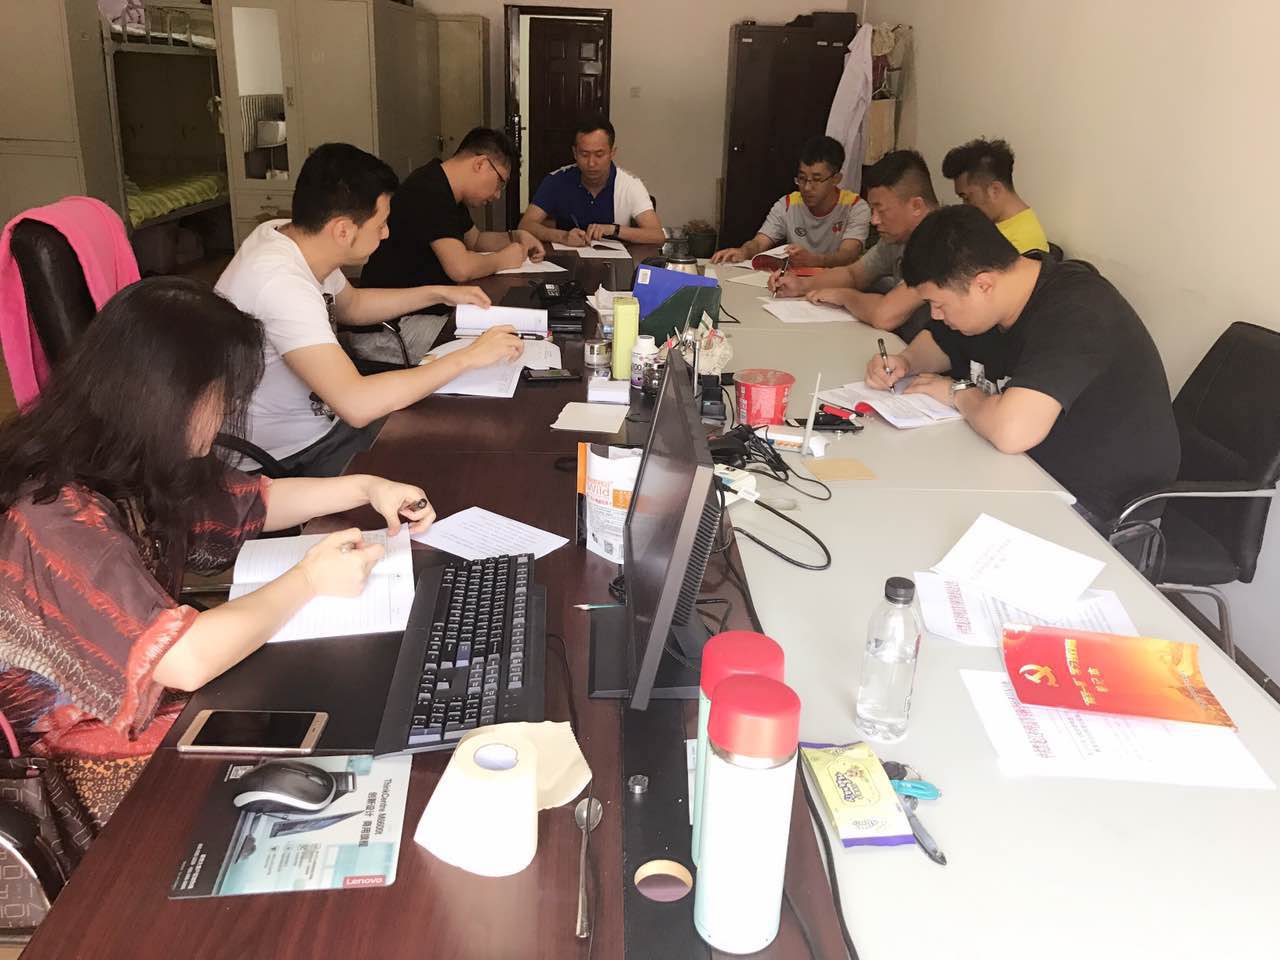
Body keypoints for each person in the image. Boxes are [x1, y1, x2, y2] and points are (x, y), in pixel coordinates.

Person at [0, 277, 436, 827]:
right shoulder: (53, 518)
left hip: (160, 703)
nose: (231, 409)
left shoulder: (126, 456)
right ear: (167, 396)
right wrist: (308, 580)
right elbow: (181, 660)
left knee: (353, 703)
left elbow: (252, 501)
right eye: (222, 395)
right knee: (352, 725)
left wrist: (368, 488)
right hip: (86, 757)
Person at [216, 143, 522, 477]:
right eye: (381, 225)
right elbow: (357, 404)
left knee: (455, 428)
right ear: (343, 230)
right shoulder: (280, 284)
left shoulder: (293, 237)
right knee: (452, 454)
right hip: (288, 457)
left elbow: (353, 305)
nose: (387, 233)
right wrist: (468, 357)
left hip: (324, 424)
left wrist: (437, 293)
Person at [864, 205, 1178, 527]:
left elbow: (1011, 431)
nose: (935, 315)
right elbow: (941, 342)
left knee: (919, 523)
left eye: (938, 304)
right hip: (1024, 471)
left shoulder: (1079, 310)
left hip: (1096, 504)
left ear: (983, 285)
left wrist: (957, 392)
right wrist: (906, 362)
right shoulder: (998, 296)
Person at [770, 149, 938, 338]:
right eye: (872, 210)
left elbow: (885, 315)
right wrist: (801, 285)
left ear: (916, 206)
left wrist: (844, 296)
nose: (874, 220)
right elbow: (854, 274)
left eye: (881, 211)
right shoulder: (896, 238)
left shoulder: (941, 242)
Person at [361, 128, 545, 291]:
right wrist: (503, 260)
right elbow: (461, 268)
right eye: (500, 183)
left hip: (426, 301)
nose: (497, 195)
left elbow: (475, 240)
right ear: (480, 164)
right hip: (403, 313)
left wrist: (517, 236)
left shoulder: (444, 184)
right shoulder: (429, 190)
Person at [710, 135, 871, 268]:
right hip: (796, 282)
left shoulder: (855, 207)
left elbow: (848, 254)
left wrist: (815, 261)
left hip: (838, 284)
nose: (807, 187)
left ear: (836, 179)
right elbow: (759, 243)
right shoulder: (787, 204)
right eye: (802, 178)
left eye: (816, 179)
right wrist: (743, 251)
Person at [519, 114, 665, 247]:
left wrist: (613, 230)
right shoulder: (557, 180)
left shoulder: (630, 185)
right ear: (575, 153)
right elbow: (525, 225)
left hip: (614, 263)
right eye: (584, 154)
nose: (591, 163)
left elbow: (657, 235)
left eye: (599, 154)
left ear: (612, 153)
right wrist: (562, 236)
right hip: (566, 261)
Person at [941, 138, 1049, 254]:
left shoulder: (1023, 245)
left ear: (994, 190)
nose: (965, 206)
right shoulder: (990, 226)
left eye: (967, 198)